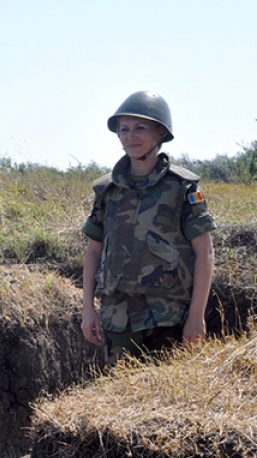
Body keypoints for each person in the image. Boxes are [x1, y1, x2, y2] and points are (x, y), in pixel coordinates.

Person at [81, 91, 216, 365]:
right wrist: (88, 310)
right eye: (124, 130)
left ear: (160, 133)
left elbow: (205, 252)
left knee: (166, 399)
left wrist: (196, 316)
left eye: (140, 128)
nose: (131, 137)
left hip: (167, 317)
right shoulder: (107, 190)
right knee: (121, 397)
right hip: (117, 319)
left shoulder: (181, 187)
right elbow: (93, 251)